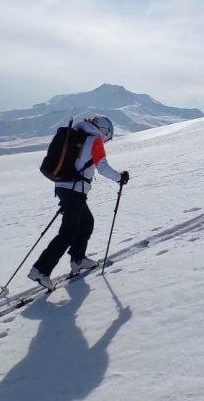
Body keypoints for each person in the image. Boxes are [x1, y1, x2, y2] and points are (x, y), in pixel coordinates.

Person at [29, 116, 129, 290]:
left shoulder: (77, 134)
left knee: (86, 222)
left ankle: (78, 259)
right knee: (67, 232)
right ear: (104, 131)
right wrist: (120, 177)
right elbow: (103, 167)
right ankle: (41, 269)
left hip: (63, 186)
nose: (107, 140)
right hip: (74, 189)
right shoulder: (94, 139)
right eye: (108, 136)